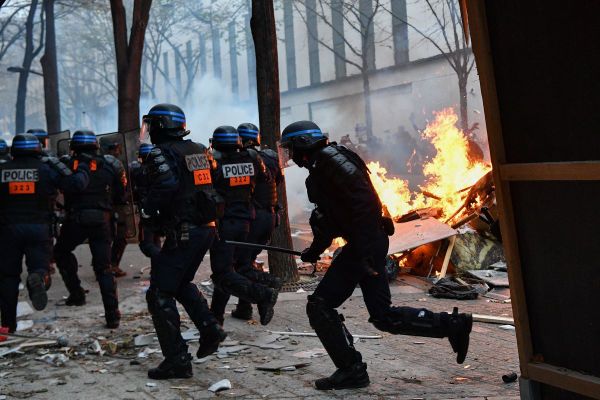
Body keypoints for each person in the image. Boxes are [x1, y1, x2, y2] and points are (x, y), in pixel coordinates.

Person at [279, 120, 473, 390]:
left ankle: (352, 370)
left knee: (320, 305)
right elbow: (332, 217)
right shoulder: (332, 160)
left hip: (364, 245)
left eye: (290, 149)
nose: (290, 156)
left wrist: (363, 251)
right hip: (368, 243)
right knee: (384, 316)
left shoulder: (327, 164)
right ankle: (453, 325)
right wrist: (315, 250)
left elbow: (359, 204)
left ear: (302, 145)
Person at [138, 104, 226, 380]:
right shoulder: (199, 149)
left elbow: (165, 185)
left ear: (162, 126)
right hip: (206, 229)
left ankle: (177, 359)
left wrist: (147, 211)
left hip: (184, 230)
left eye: (152, 125)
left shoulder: (161, 153)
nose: (149, 131)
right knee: (180, 283)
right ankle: (210, 328)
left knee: (159, 294)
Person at [0, 134, 89, 332]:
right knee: (39, 266)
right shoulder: (46, 169)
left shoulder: (3, 169)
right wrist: (81, 166)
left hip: (8, 229)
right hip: (39, 228)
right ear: (37, 148)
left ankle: (7, 326)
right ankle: (38, 278)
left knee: (7, 277)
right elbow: (76, 185)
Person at [54, 130, 127, 329]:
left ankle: (76, 294)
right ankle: (112, 315)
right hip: (102, 221)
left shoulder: (68, 165)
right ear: (96, 146)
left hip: (75, 219)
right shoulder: (111, 165)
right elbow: (121, 195)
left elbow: (59, 189)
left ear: (73, 147)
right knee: (104, 268)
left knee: (60, 252)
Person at [208, 126, 279, 326]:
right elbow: (266, 180)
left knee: (224, 273)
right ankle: (226, 313)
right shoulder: (253, 160)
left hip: (227, 223)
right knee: (239, 268)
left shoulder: (217, 164)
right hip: (247, 221)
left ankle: (264, 291)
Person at [228, 123, 283, 321]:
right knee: (245, 262)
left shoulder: (243, 160)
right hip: (270, 218)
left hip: (252, 218)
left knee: (236, 266)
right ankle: (244, 309)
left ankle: (268, 287)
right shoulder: (272, 157)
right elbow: (276, 184)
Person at [104, 142, 129, 278]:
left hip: (103, 204)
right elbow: (122, 185)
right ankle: (112, 265)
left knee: (105, 236)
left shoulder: (99, 162)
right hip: (116, 205)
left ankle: (103, 263)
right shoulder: (117, 164)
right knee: (120, 235)